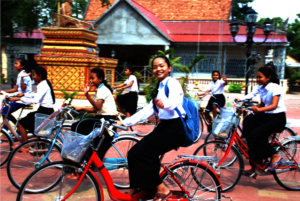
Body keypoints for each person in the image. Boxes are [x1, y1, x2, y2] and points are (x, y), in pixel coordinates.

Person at [117, 55, 186, 200]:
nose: (158, 69)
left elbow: (175, 101)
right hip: (165, 127)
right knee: (133, 153)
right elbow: (147, 110)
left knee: (143, 153)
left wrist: (164, 105)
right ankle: (136, 188)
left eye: (161, 66)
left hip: (175, 128)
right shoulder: (159, 88)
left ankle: (162, 189)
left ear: (169, 68)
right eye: (155, 67)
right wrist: (125, 122)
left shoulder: (172, 83)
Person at [242, 66, 286, 179]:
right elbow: (262, 104)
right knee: (251, 135)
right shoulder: (263, 87)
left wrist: (259, 110)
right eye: (257, 77)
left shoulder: (275, 87)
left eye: (260, 77)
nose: (257, 79)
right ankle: (254, 168)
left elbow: (274, 105)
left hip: (278, 118)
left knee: (256, 134)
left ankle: (274, 155)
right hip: (268, 116)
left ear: (268, 77)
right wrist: (248, 107)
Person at [73, 68, 118, 160]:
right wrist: (81, 108)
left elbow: (97, 107)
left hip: (106, 119)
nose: (90, 80)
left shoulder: (102, 90)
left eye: (93, 78)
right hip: (102, 118)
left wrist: (87, 95)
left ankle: (84, 158)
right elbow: (96, 109)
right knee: (79, 126)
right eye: (90, 78)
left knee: (78, 126)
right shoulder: (100, 89)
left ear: (100, 79)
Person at [9, 67, 55, 143]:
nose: (33, 77)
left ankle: (25, 145)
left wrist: (18, 99)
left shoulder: (42, 85)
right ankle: (38, 145)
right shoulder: (43, 84)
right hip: (44, 110)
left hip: (44, 112)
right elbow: (36, 95)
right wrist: (24, 94)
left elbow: (35, 100)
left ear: (39, 76)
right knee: (34, 128)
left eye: (34, 75)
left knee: (21, 123)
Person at [1, 58, 32, 141]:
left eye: (16, 63)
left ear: (22, 66)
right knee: (5, 111)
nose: (15, 65)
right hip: (19, 97)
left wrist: (22, 79)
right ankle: (18, 127)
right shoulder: (20, 74)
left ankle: (6, 131)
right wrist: (3, 91)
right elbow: (16, 89)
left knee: (5, 110)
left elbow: (23, 89)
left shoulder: (24, 76)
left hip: (24, 99)